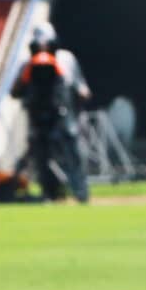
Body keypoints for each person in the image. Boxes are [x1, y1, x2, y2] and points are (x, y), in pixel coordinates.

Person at [12, 24, 91, 204]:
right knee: (42, 158)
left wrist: (79, 96)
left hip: (63, 116)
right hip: (38, 118)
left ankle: (80, 193)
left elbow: (80, 87)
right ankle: (50, 193)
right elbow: (16, 91)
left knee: (72, 154)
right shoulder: (27, 63)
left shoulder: (66, 59)